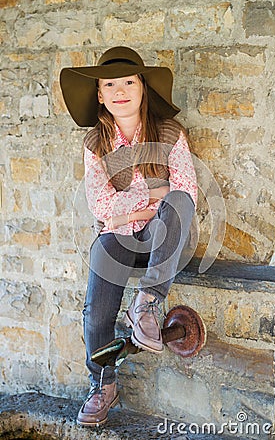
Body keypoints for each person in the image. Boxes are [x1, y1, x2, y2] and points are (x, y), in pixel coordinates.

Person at [60, 46, 198, 427]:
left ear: (142, 89)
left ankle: (148, 301)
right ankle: (102, 383)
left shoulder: (169, 134)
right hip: (119, 237)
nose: (120, 90)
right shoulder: (96, 144)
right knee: (97, 304)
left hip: (163, 239)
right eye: (110, 84)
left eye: (129, 82)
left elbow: (183, 192)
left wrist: (134, 208)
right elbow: (100, 204)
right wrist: (147, 199)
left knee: (180, 202)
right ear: (100, 94)